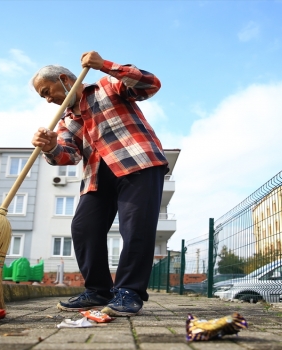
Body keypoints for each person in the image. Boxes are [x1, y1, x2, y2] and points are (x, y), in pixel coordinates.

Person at [31, 51, 168, 316]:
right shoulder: (67, 120)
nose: (48, 100)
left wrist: (104, 65)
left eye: (47, 91)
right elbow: (67, 155)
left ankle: (129, 292)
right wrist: (50, 147)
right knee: (83, 227)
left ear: (64, 79)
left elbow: (151, 84)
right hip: (97, 175)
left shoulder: (107, 86)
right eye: (43, 97)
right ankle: (98, 291)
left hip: (137, 162)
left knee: (136, 227)